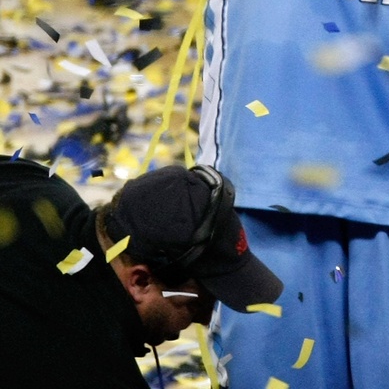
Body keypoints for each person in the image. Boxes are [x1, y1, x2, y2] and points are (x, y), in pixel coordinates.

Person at [0, 157, 283, 388]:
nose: (206, 319)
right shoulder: (95, 371)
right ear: (140, 281)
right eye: (195, 305)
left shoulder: (33, 182)